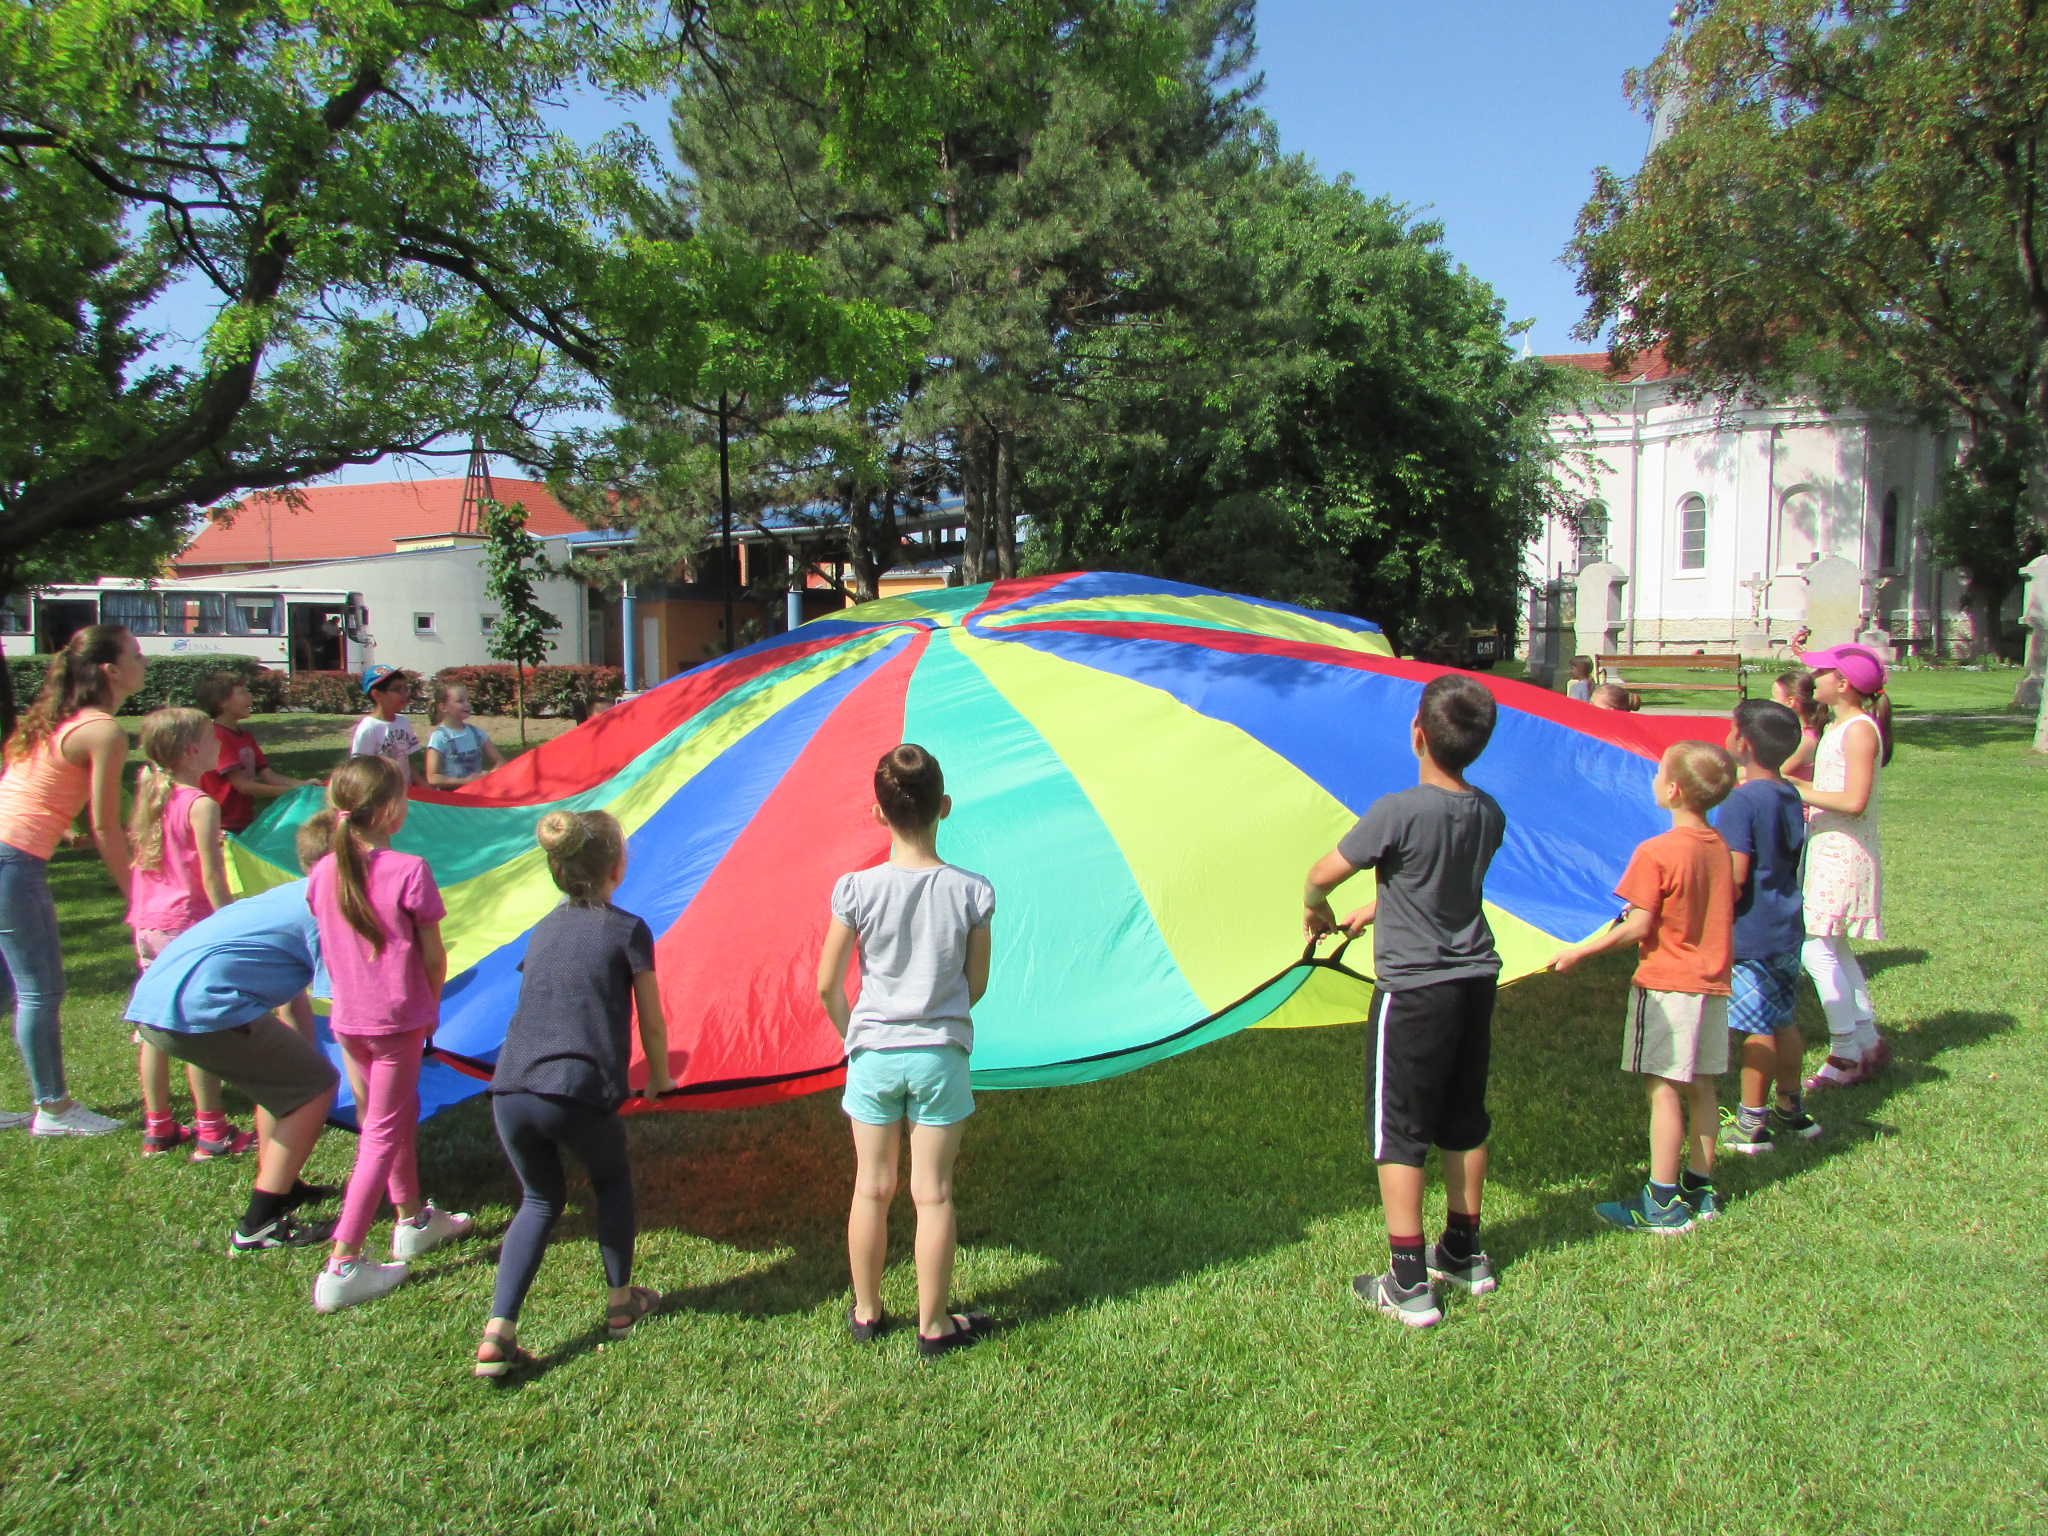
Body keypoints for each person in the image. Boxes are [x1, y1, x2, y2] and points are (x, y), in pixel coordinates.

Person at [1302, 674, 1506, 1329]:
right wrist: (1378, 906)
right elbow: (1441, 881)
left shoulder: (1397, 810)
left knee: (1399, 1131)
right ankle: (1464, 1250)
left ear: (1417, 733)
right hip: (1474, 980)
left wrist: (1316, 907)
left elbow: (1320, 873)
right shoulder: (1489, 813)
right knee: (1464, 1118)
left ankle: (1409, 1280)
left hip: (1415, 991)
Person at [473, 810, 674, 1378]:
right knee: (610, 1181)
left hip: (510, 1088)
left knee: (539, 1200)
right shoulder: (627, 930)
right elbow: (651, 1019)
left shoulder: (542, 929)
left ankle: (498, 1331)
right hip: (573, 1088)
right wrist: (659, 1076)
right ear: (617, 868)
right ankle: (620, 1304)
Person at [816, 745, 996, 1358]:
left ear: (878, 813)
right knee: (933, 1192)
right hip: (940, 1053)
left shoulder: (856, 890)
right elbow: (976, 984)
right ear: (944, 806)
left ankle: (867, 1312)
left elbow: (826, 983)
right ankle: (934, 1324)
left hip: (874, 1053)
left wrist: (856, 1036)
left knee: (871, 1187)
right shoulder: (972, 892)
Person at [305, 756, 472, 1312]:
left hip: (349, 1019)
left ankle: (412, 1219)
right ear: (390, 811)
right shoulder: (409, 870)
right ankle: (343, 1264)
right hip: (395, 1021)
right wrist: (430, 1007)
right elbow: (433, 956)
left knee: (392, 1116)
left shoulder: (323, 871)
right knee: (379, 1134)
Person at [125, 829, 344, 1253]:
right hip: (202, 1007)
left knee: (284, 1082)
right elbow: (344, 1002)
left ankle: (282, 1182)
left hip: (157, 999)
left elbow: (293, 1005)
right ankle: (258, 1224)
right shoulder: (328, 908)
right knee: (315, 1086)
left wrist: (301, 1059)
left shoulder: (287, 897)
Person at [1553, 741, 1738, 1234]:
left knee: (1663, 1089)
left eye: (1658, 773)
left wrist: (1580, 952)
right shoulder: (1719, 847)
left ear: (1672, 790)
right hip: (1712, 984)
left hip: (1668, 987)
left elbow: (1638, 927)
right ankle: (1699, 1189)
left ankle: (1660, 1202)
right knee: (1703, 1086)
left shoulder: (1657, 852)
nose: (1653, 779)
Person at [0, 625, 146, 1135]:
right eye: (136, 654)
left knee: (7, 987)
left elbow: (32, 788)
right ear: (111, 670)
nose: (144, 662)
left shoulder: (59, 720)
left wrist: (61, 829)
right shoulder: (103, 730)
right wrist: (136, 898)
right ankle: (54, 1109)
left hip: (9, 851)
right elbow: (107, 827)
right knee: (40, 989)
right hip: (12, 861)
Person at [124, 707, 252, 1159]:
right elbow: (214, 878)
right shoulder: (201, 805)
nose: (220, 744)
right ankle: (212, 1132)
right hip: (187, 925)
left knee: (154, 1028)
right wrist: (232, 924)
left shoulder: (150, 794)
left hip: (149, 925)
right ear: (193, 750)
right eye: (211, 739)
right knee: (200, 1030)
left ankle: (158, 1127)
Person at [1716, 700, 1821, 1154]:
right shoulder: (1788, 792)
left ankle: (1751, 1123)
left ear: (1742, 743)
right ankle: (1790, 1105)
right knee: (1782, 1018)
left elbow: (1736, 874)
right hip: (1785, 924)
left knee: (1757, 1026)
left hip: (1752, 931)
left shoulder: (1741, 801)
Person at [1791, 643, 1893, 1090]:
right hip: (1827, 847)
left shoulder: (1859, 730)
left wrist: (1795, 788)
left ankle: (1845, 1052)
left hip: (1844, 852)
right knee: (1833, 946)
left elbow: (1854, 801)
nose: (1813, 678)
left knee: (1814, 948)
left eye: (1822, 672)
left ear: (1844, 683)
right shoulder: (1837, 726)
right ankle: (1868, 1041)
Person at [195, 671, 306, 833]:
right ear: (223, 702)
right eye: (242, 692)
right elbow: (242, 785)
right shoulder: (217, 737)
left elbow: (268, 775)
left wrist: (303, 784)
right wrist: (288, 792)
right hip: (221, 824)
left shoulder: (245, 736)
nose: (250, 696)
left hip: (243, 821)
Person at [349, 666, 421, 786]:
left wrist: (427, 790)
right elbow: (360, 770)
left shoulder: (404, 722)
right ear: (377, 695)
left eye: (405, 689)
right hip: (381, 793)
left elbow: (406, 762)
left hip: (404, 791)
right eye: (397, 690)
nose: (404, 694)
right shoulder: (369, 728)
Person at [424, 682, 503, 789]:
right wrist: (465, 781)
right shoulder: (439, 737)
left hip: (476, 793)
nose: (467, 704)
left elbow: (500, 761)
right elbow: (432, 778)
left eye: (467, 700)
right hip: (453, 796)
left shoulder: (477, 733)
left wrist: (488, 775)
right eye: (460, 701)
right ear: (443, 707)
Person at [1772, 670, 1826, 783]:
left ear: (1790, 702)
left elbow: (1772, 773)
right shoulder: (1794, 731)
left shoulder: (1806, 741)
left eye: (1774, 697)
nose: (1771, 701)